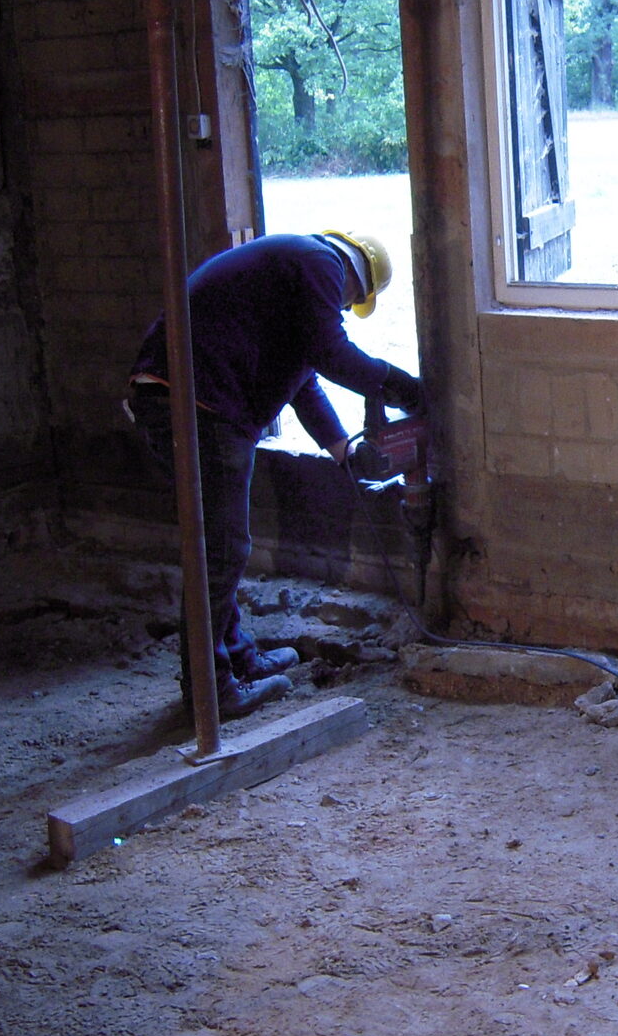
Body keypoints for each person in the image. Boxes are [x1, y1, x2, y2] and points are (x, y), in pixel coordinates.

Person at [128, 230, 423, 719]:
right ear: (357, 277)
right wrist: (402, 387)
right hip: (199, 405)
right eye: (354, 302)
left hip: (178, 398)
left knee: (220, 545)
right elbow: (332, 355)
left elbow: (303, 380)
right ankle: (211, 690)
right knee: (221, 550)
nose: (348, 309)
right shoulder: (320, 263)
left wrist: (343, 452)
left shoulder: (292, 269)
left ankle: (240, 660)